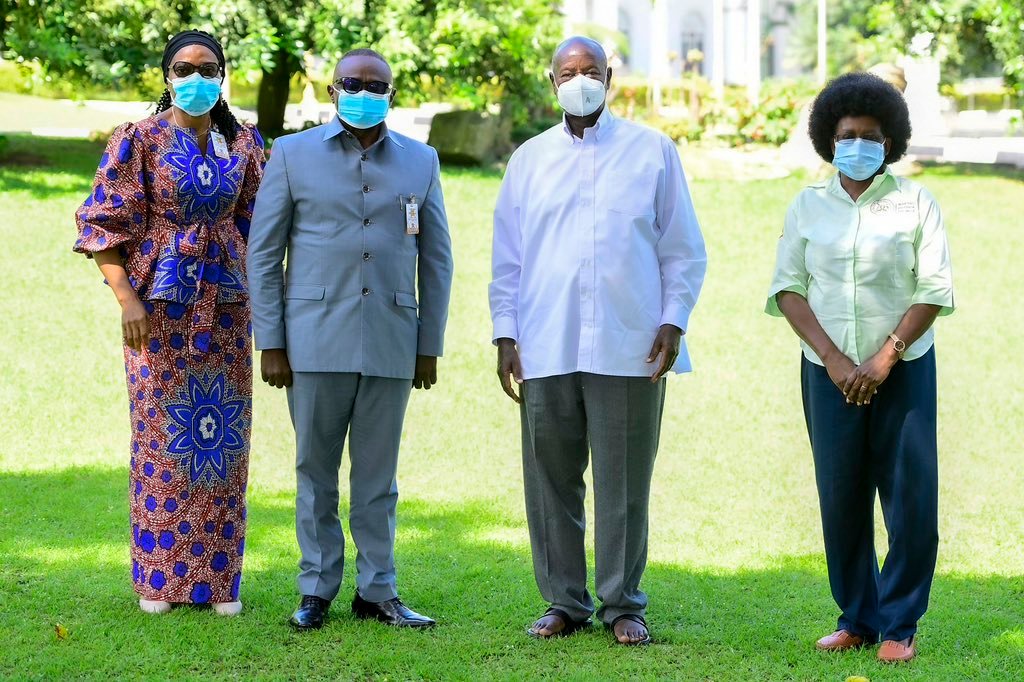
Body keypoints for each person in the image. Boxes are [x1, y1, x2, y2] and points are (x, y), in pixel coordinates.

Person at [489, 36, 707, 646]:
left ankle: (623, 604)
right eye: (567, 71)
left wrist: (674, 319)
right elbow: (508, 257)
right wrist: (505, 333)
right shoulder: (528, 160)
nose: (579, 79)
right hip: (545, 340)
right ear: (551, 80)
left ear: (610, 78)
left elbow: (683, 249)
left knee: (624, 482)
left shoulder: (652, 152)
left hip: (630, 342)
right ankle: (564, 601)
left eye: (590, 71)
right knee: (550, 480)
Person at [248, 48, 453, 631]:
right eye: (352, 83)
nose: (364, 92)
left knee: (377, 477)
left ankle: (378, 591)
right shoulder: (290, 154)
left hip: (392, 336)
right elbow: (264, 254)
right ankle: (315, 589)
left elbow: (436, 259)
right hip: (312, 339)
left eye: (376, 84)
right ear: (333, 89)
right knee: (314, 470)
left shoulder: (422, 161)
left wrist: (428, 344)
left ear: (393, 92)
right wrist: (273, 341)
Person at [73, 29, 265, 615]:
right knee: (162, 439)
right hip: (158, 311)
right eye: (186, 68)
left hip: (228, 311)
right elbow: (101, 223)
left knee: (223, 444)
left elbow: (265, 224)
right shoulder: (140, 140)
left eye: (209, 68)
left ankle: (216, 583)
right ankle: (160, 580)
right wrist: (126, 298)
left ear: (223, 77)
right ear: (167, 76)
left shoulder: (246, 144)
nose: (198, 78)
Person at [765, 72, 955, 663]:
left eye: (872, 135)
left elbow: (933, 288)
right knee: (841, 497)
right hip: (827, 376)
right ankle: (858, 617)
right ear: (829, 138)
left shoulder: (915, 203)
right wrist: (835, 360)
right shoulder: (808, 205)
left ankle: (900, 625)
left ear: (890, 140)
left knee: (912, 503)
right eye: (847, 133)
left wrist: (882, 357)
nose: (859, 143)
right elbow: (789, 289)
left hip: (904, 370)